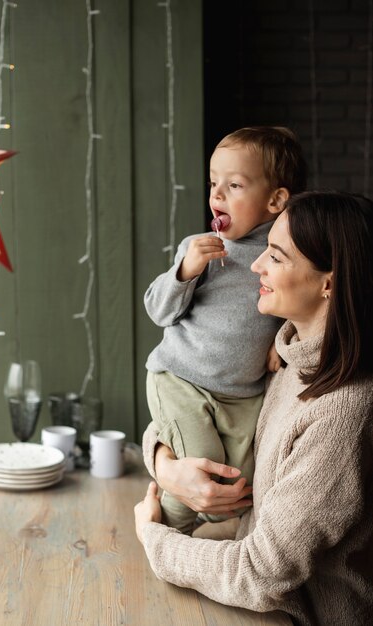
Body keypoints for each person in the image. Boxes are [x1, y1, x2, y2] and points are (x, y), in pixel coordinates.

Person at [135, 190, 373, 626]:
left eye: (277, 257)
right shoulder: (287, 357)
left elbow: (263, 573)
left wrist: (155, 539)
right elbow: (183, 407)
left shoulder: (344, 412)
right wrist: (165, 464)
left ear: (329, 282)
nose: (256, 265)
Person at [143, 126, 307, 534]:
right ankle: (164, 534)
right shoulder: (199, 248)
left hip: (242, 395)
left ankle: (202, 542)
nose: (216, 195)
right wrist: (184, 272)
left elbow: (302, 302)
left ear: (275, 200)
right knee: (204, 478)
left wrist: (282, 337)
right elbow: (159, 311)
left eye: (233, 185)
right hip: (181, 380)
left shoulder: (284, 255)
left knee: (240, 488)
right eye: (214, 183)